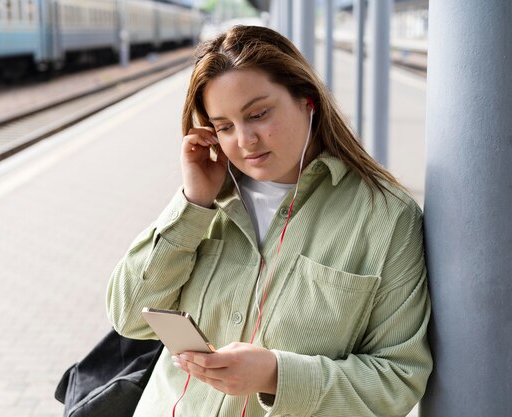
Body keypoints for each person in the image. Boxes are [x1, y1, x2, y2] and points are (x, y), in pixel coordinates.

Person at [106, 25, 431, 417]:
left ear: (306, 100)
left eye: (258, 114)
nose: (244, 140)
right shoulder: (206, 204)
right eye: (224, 127)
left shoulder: (386, 218)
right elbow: (128, 315)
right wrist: (193, 203)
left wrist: (278, 376)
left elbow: (398, 379)